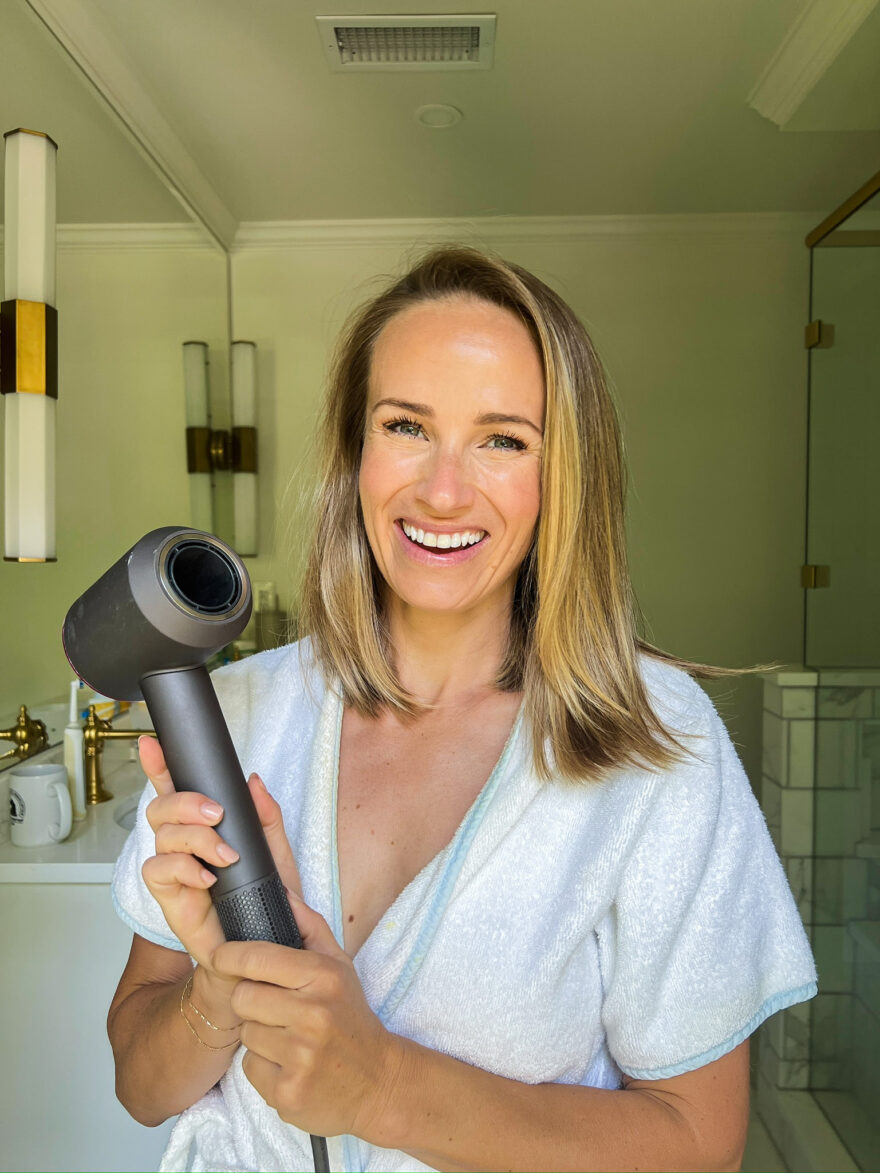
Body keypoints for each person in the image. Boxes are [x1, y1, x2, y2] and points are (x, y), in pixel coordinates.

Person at [108, 246, 816, 1173]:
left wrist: (384, 1086)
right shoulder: (237, 710)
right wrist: (221, 994)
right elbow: (139, 1084)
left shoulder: (657, 744)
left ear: (562, 476)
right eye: (406, 425)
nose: (443, 489)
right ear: (355, 452)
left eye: (503, 439)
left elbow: (700, 1139)